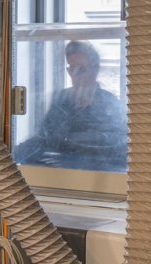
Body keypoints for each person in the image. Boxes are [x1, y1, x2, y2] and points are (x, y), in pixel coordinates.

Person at [16, 40, 127, 170]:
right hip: (59, 176)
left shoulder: (109, 104)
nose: (75, 76)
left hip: (96, 176)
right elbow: (42, 139)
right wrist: (9, 156)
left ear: (95, 70)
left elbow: (118, 151)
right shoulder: (61, 99)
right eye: (72, 69)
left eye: (81, 70)